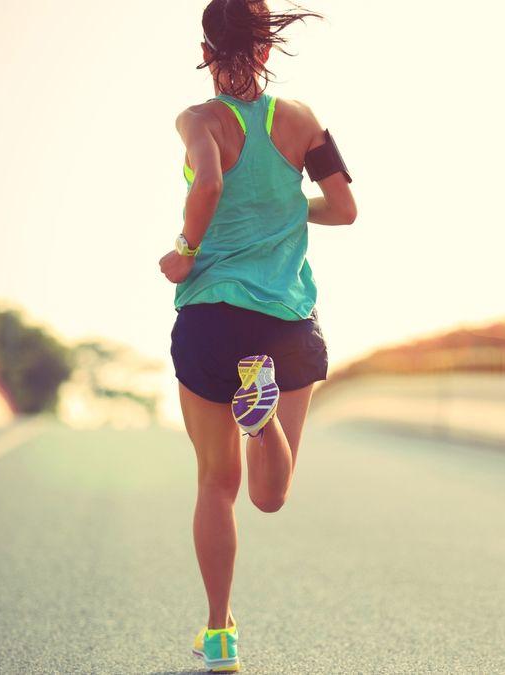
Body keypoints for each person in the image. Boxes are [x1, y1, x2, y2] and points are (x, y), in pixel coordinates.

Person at [158, 1, 356, 671]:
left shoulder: (198, 120)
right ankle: (262, 416)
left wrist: (185, 248)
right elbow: (348, 208)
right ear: (268, 50)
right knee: (272, 493)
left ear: (206, 51)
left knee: (217, 483)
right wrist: (289, 206)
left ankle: (219, 633)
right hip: (288, 322)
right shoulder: (301, 121)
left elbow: (209, 181)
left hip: (214, 317)